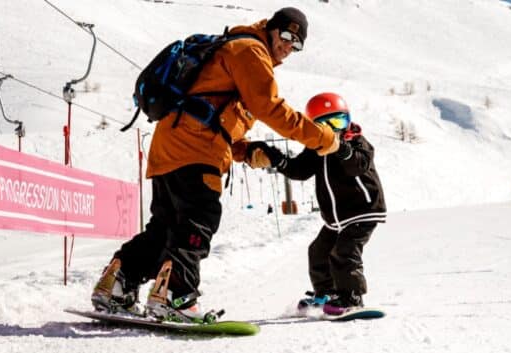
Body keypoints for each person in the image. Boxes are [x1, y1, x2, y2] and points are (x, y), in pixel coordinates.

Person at [91, 7, 340, 323]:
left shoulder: (233, 49)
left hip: (172, 147)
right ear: (273, 29)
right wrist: (322, 138)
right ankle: (176, 295)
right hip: (195, 151)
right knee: (198, 219)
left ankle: (117, 282)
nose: (289, 46)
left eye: (297, 44)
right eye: (288, 36)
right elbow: (271, 109)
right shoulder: (251, 50)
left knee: (165, 227)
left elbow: (213, 115)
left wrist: (246, 152)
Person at [255, 92, 386, 316]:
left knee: (344, 252)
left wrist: (341, 149)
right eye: (323, 125)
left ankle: (351, 297)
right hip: (336, 218)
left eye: (338, 122)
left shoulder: (357, 142)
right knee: (318, 252)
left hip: (362, 210)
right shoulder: (316, 149)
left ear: (348, 120)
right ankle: (327, 293)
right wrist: (277, 158)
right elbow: (299, 171)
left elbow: (359, 165)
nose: (332, 130)